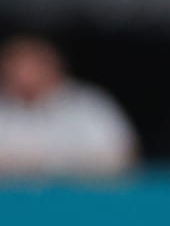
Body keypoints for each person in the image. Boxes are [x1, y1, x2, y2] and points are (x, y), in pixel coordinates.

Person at [0, 35, 136, 177]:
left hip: (81, 195)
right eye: (15, 66)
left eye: (31, 66)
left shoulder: (89, 105)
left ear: (51, 66)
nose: (23, 75)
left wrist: (52, 163)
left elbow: (123, 157)